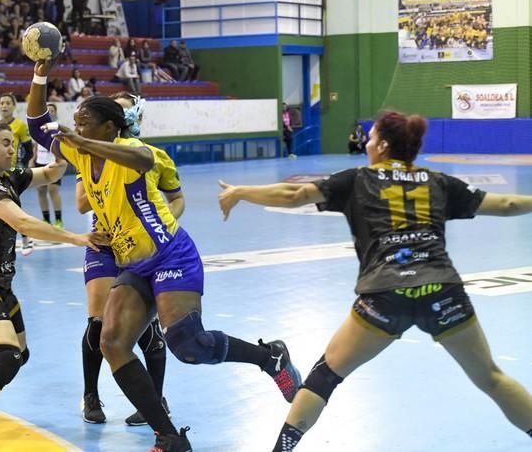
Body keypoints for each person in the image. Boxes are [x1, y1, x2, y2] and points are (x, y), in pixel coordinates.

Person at [27, 57, 302, 451]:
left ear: (110, 127)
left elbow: (143, 160)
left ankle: (268, 357)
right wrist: (40, 72)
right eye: (77, 121)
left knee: (188, 344)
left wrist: (82, 141)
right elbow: (37, 123)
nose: (77, 125)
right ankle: (169, 436)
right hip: (132, 264)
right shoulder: (81, 154)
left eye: (85, 120)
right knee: (112, 341)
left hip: (171, 255)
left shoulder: (131, 148)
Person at [217, 110, 532, 451]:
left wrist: (241, 192)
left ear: (382, 145)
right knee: (490, 377)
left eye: (370, 138)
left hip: (384, 296)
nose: (366, 143)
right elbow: (508, 203)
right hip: (442, 290)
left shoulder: (357, 179)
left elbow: (294, 197)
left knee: (325, 375)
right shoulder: (437, 181)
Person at [0, 119, 105, 451]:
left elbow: (53, 173)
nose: (11, 147)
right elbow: (21, 221)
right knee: (5, 356)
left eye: (13, 142)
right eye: (4, 142)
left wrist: (67, 143)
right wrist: (77, 237)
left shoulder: (9, 176)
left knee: (19, 353)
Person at [76, 91, 173, 426]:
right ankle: (90, 395)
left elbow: (177, 198)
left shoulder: (150, 156)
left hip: (139, 247)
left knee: (149, 329)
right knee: (98, 320)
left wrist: (162, 229)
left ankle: (154, 401)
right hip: (104, 242)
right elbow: (81, 203)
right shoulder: (89, 152)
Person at [0, 93, 36, 255]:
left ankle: (26, 237)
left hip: (12, 171)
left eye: (8, 103)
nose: (4, 106)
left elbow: (28, 148)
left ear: (13, 106)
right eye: (2, 103)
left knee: (13, 204)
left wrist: (23, 167)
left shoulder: (20, 125)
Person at [32, 103, 65, 228]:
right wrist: (33, 159)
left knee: (53, 190)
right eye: (48, 111)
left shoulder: (59, 129)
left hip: (54, 162)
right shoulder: (39, 127)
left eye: (52, 111)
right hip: (40, 161)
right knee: (41, 190)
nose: (50, 113)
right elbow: (36, 144)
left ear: (55, 113)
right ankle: (45, 219)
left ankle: (58, 220)